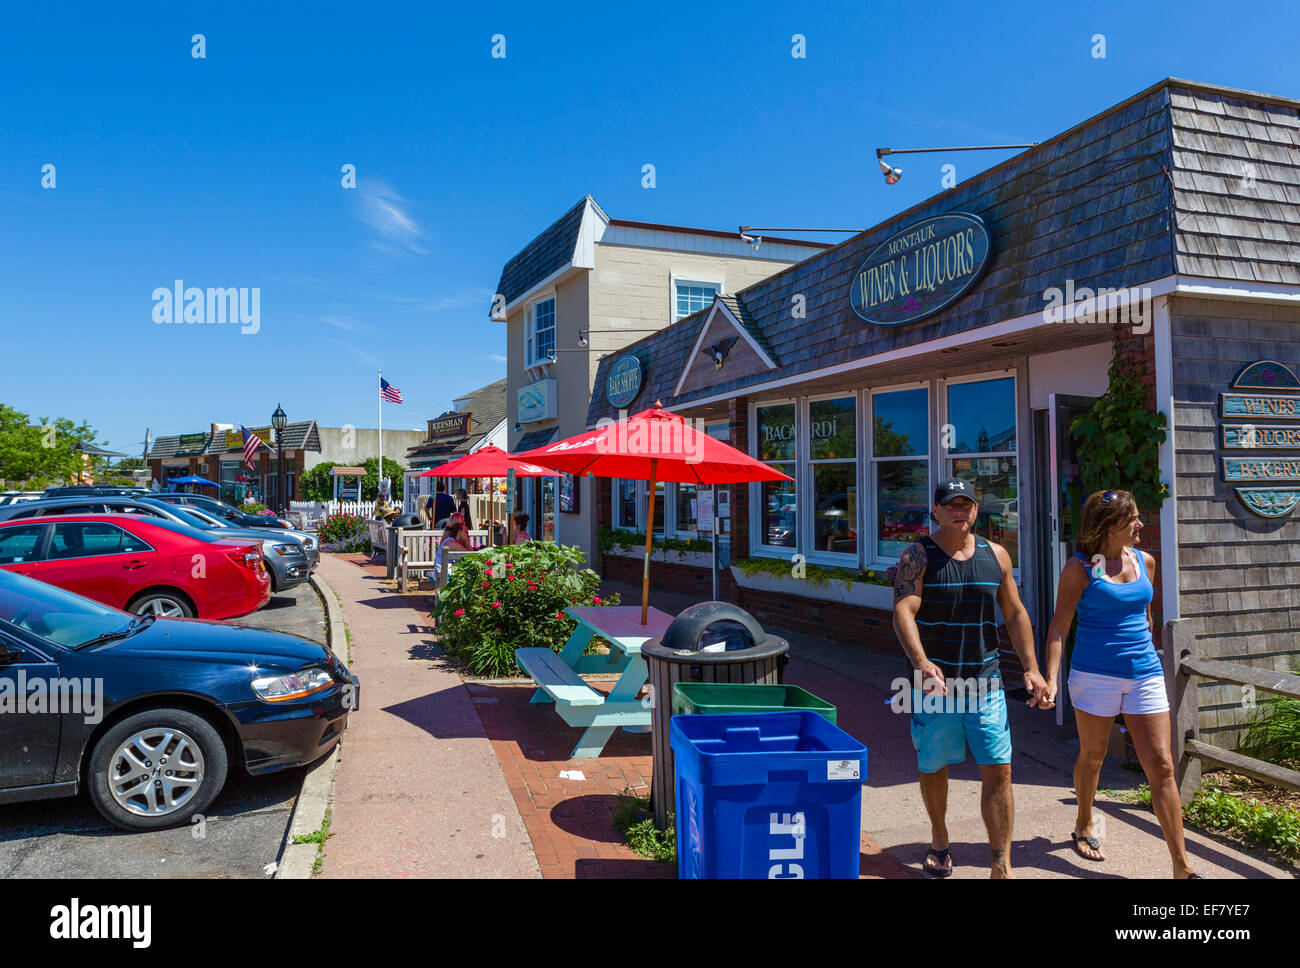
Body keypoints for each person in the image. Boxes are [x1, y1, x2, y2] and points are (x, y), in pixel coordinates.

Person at [892, 477, 1051, 879]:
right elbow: (903, 611)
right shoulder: (918, 556)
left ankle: (1001, 864)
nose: (959, 511)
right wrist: (921, 662)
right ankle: (940, 839)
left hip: (986, 680)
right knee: (934, 766)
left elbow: (1014, 613)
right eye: (951, 505)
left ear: (976, 511)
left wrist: (1031, 667)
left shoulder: (995, 555)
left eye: (966, 504)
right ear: (936, 512)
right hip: (935, 686)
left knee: (999, 769)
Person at [1044, 489, 1201, 878]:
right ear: (1109, 524)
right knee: (1093, 756)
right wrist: (1050, 677)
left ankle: (1182, 867)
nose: (1140, 525)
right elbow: (1059, 627)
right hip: (1094, 677)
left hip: (1145, 674)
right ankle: (1083, 821)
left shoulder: (1143, 560)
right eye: (1132, 518)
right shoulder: (1079, 568)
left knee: (1162, 765)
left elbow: (1144, 616)